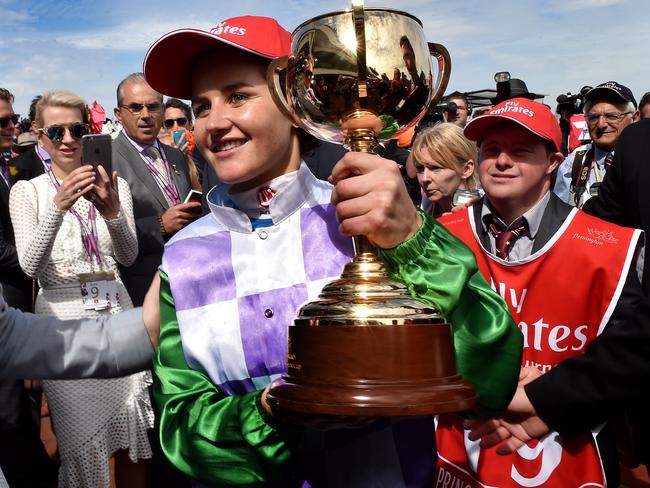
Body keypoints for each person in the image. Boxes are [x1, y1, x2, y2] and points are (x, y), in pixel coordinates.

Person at [142, 14, 522, 487]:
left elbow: (489, 378)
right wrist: (273, 411)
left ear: (294, 101)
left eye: (238, 96)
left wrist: (413, 242)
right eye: (201, 106)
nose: (215, 123)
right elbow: (180, 427)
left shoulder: (376, 220)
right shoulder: (182, 254)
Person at [435, 97, 645, 487]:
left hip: (572, 451)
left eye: (520, 151)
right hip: (459, 448)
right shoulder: (443, 237)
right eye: (491, 150)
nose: (501, 161)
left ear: (553, 162)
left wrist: (551, 399)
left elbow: (629, 359)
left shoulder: (608, 248)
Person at [9, 90, 154, 488]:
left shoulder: (115, 185)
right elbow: (30, 266)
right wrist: (58, 206)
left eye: (78, 129)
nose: (69, 140)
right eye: (57, 131)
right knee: (78, 444)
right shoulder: (28, 191)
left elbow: (127, 256)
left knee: (132, 438)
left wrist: (110, 211)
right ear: (40, 137)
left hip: (117, 315)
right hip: (63, 330)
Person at [0, 275, 159, 488]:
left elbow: (9, 334)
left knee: (129, 446)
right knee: (83, 453)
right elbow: (30, 264)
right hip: (62, 311)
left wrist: (144, 331)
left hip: (108, 313)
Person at [0, 87, 55, 488]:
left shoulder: (7, 168)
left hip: (22, 302)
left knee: (27, 411)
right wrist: (38, 246)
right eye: (3, 121)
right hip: (6, 304)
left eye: (13, 118)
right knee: (11, 417)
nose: (12, 126)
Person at [112, 74, 199, 306]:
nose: (145, 115)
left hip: (187, 274)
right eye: (135, 107)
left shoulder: (175, 156)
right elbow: (102, 235)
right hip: (142, 286)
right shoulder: (108, 160)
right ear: (118, 115)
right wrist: (159, 225)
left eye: (152, 106)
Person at [553, 81, 639, 208]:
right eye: (593, 117)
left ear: (635, 118)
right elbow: (559, 217)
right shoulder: (573, 163)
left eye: (612, 116)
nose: (601, 124)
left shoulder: (644, 157)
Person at [408, 122, 478, 217]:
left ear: (467, 169)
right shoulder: (425, 206)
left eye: (436, 168)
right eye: (420, 168)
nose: (424, 178)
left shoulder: (484, 212)